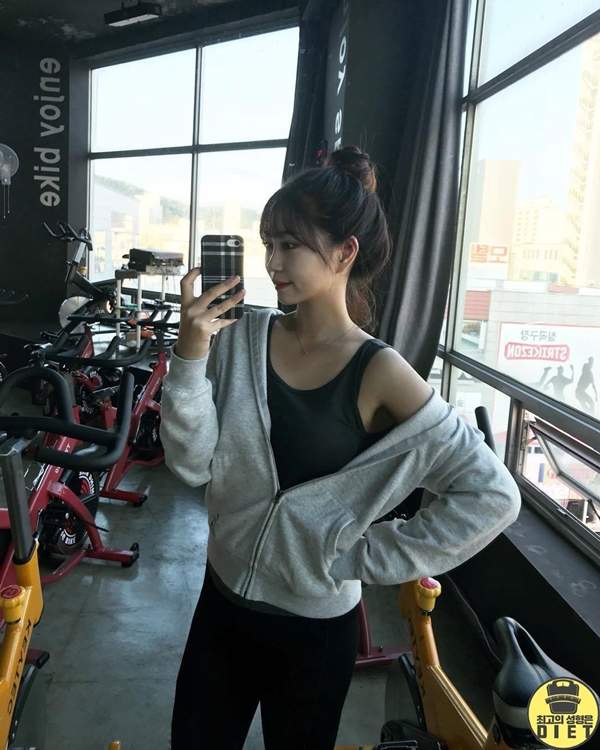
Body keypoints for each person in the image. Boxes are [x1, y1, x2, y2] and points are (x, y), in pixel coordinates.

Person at [160, 145, 521, 750]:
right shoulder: (241, 336)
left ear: (345, 252)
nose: (273, 262)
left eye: (290, 245)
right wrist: (190, 356)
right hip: (220, 606)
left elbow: (493, 496)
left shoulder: (381, 372)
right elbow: (192, 465)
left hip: (315, 634)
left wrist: (357, 555)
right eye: (268, 243)